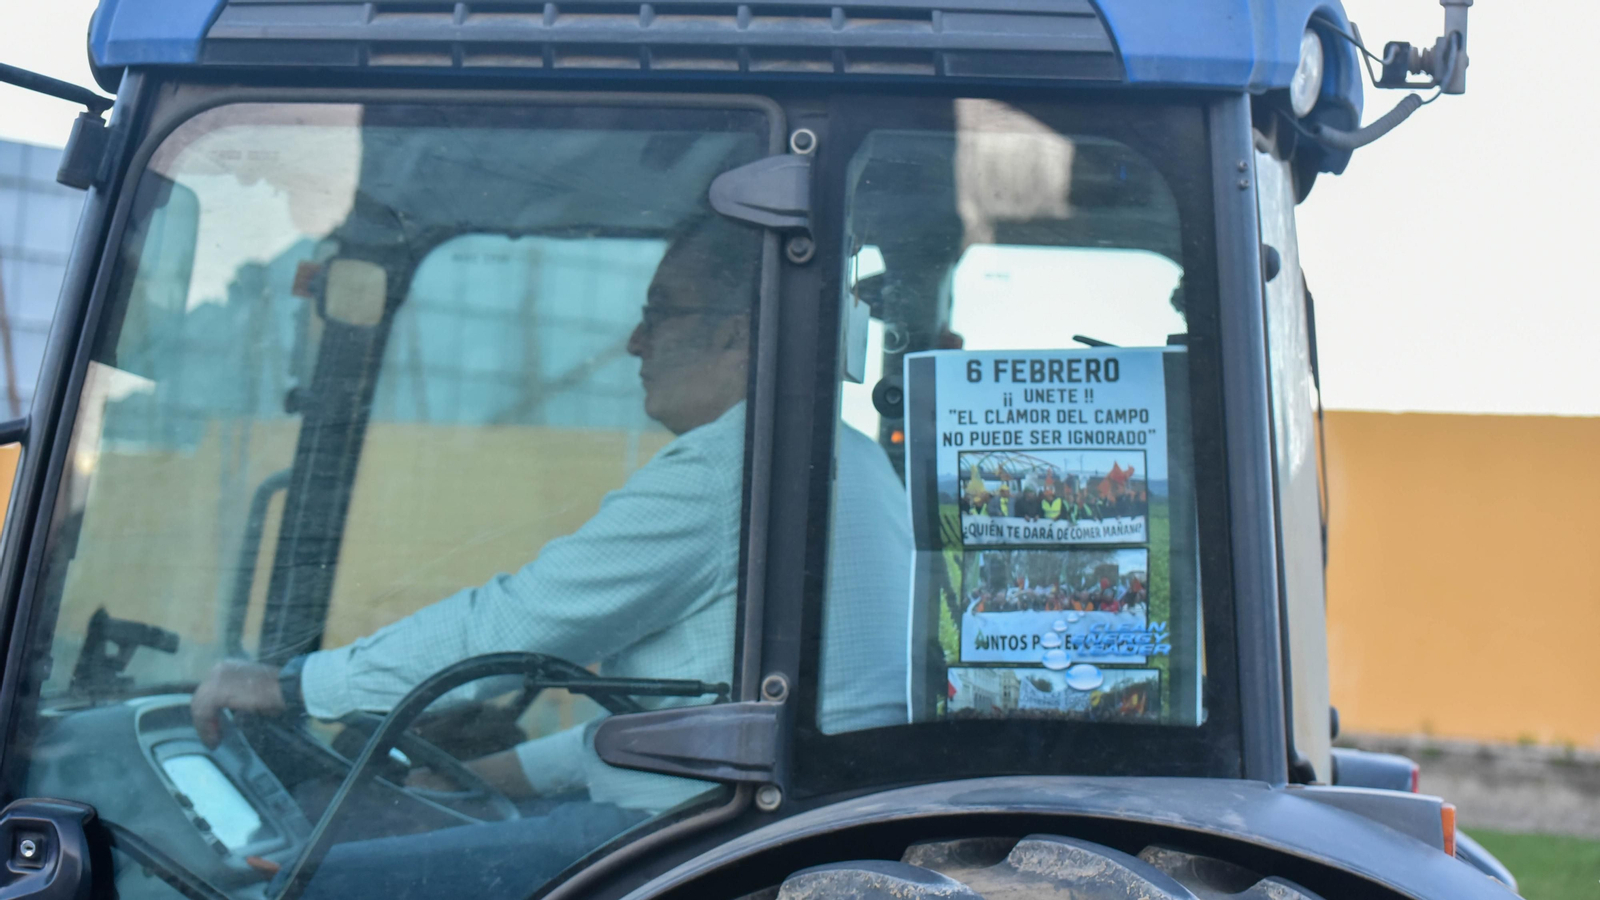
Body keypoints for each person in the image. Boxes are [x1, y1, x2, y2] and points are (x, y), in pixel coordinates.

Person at [188, 214, 914, 893]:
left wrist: (295, 687)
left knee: (314, 884)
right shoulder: (845, 458)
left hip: (701, 841)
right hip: (756, 822)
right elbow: (685, 730)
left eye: (660, 313)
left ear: (736, 334)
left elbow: (512, 631)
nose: (635, 342)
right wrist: (491, 775)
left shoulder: (730, 469)